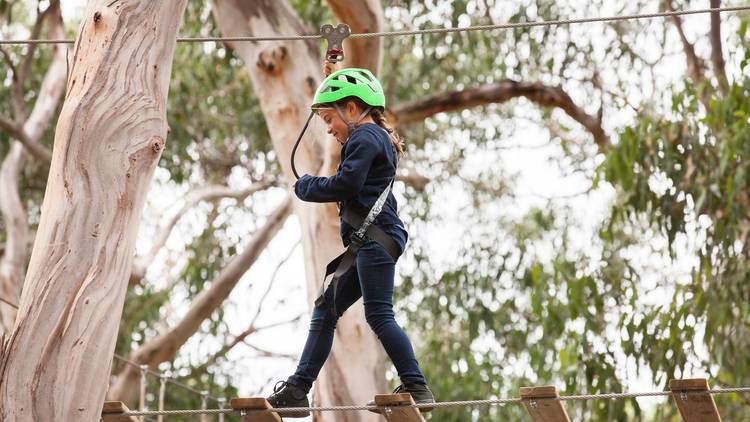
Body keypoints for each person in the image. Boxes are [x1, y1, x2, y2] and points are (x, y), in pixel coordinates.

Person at [266, 67, 435, 417]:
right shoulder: (374, 138)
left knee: (378, 313)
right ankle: (298, 389)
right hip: (371, 240)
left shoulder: (365, 137)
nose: (328, 128)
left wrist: (307, 186)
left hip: (375, 240)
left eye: (330, 118)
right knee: (327, 308)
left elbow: (346, 184)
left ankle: (417, 386)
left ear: (354, 109)